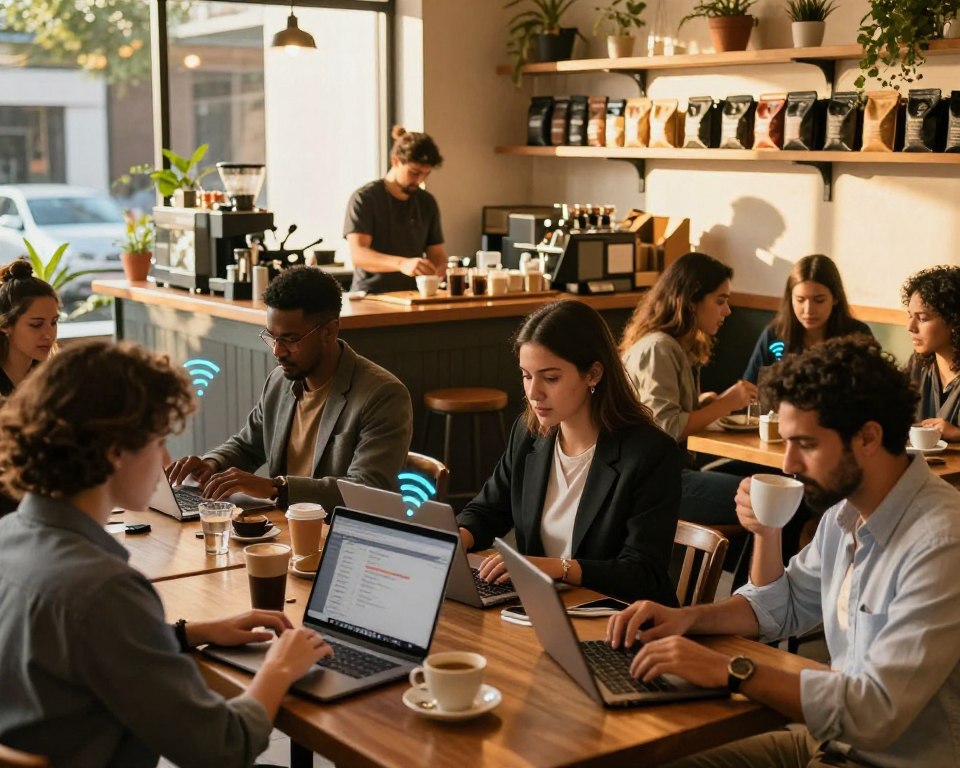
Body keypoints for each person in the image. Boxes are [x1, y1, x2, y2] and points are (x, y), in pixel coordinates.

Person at [607, 337, 960, 768]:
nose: (788, 464)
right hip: (826, 744)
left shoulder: (942, 541)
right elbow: (783, 601)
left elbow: (876, 711)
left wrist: (731, 671)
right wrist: (687, 618)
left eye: (806, 444)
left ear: (868, 437)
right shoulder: (846, 514)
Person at [0, 340, 333, 767]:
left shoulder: (11, 536)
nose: (166, 457)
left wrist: (186, 633)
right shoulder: (105, 590)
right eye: (158, 441)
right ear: (114, 452)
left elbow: (82, 648)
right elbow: (223, 747)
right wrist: (281, 668)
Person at [456, 300, 681, 605]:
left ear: (593, 374)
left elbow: (643, 574)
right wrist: (457, 538)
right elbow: (487, 510)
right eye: (526, 375)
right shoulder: (528, 434)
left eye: (550, 378)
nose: (534, 393)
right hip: (547, 608)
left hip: (618, 620)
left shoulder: (650, 454)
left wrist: (558, 569)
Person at [167, 266, 412, 512]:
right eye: (272, 337)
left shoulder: (382, 395)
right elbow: (247, 445)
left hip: (338, 536)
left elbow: (366, 489)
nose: (277, 351)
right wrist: (211, 463)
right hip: (285, 528)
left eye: (291, 340)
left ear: (329, 331)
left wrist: (277, 488)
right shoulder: (280, 381)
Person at [620, 252, 757, 525]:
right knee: (765, 500)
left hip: (670, 473)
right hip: (651, 485)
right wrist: (726, 403)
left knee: (767, 482)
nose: (727, 311)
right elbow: (667, 428)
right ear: (692, 301)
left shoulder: (674, 345)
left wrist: (700, 404)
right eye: (720, 301)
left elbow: (662, 416)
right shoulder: (659, 348)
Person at [344, 125, 448, 294]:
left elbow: (436, 252)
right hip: (371, 295)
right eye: (414, 172)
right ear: (395, 161)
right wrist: (402, 264)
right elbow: (359, 254)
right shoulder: (365, 198)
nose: (420, 180)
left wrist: (439, 267)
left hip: (412, 295)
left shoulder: (427, 202)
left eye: (426, 174)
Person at [743, 254, 872, 384]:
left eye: (819, 300)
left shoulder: (857, 335)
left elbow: (873, 392)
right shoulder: (775, 335)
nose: (808, 310)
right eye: (800, 300)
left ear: (835, 298)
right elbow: (750, 390)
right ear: (791, 299)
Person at [902, 265, 960, 441]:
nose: (910, 327)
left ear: (954, 321)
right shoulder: (918, 364)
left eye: (923, 318)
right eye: (910, 315)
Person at [0, 259, 58, 396]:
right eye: (36, 325)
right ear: (5, 325)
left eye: (54, 322)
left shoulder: (51, 380)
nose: (49, 335)